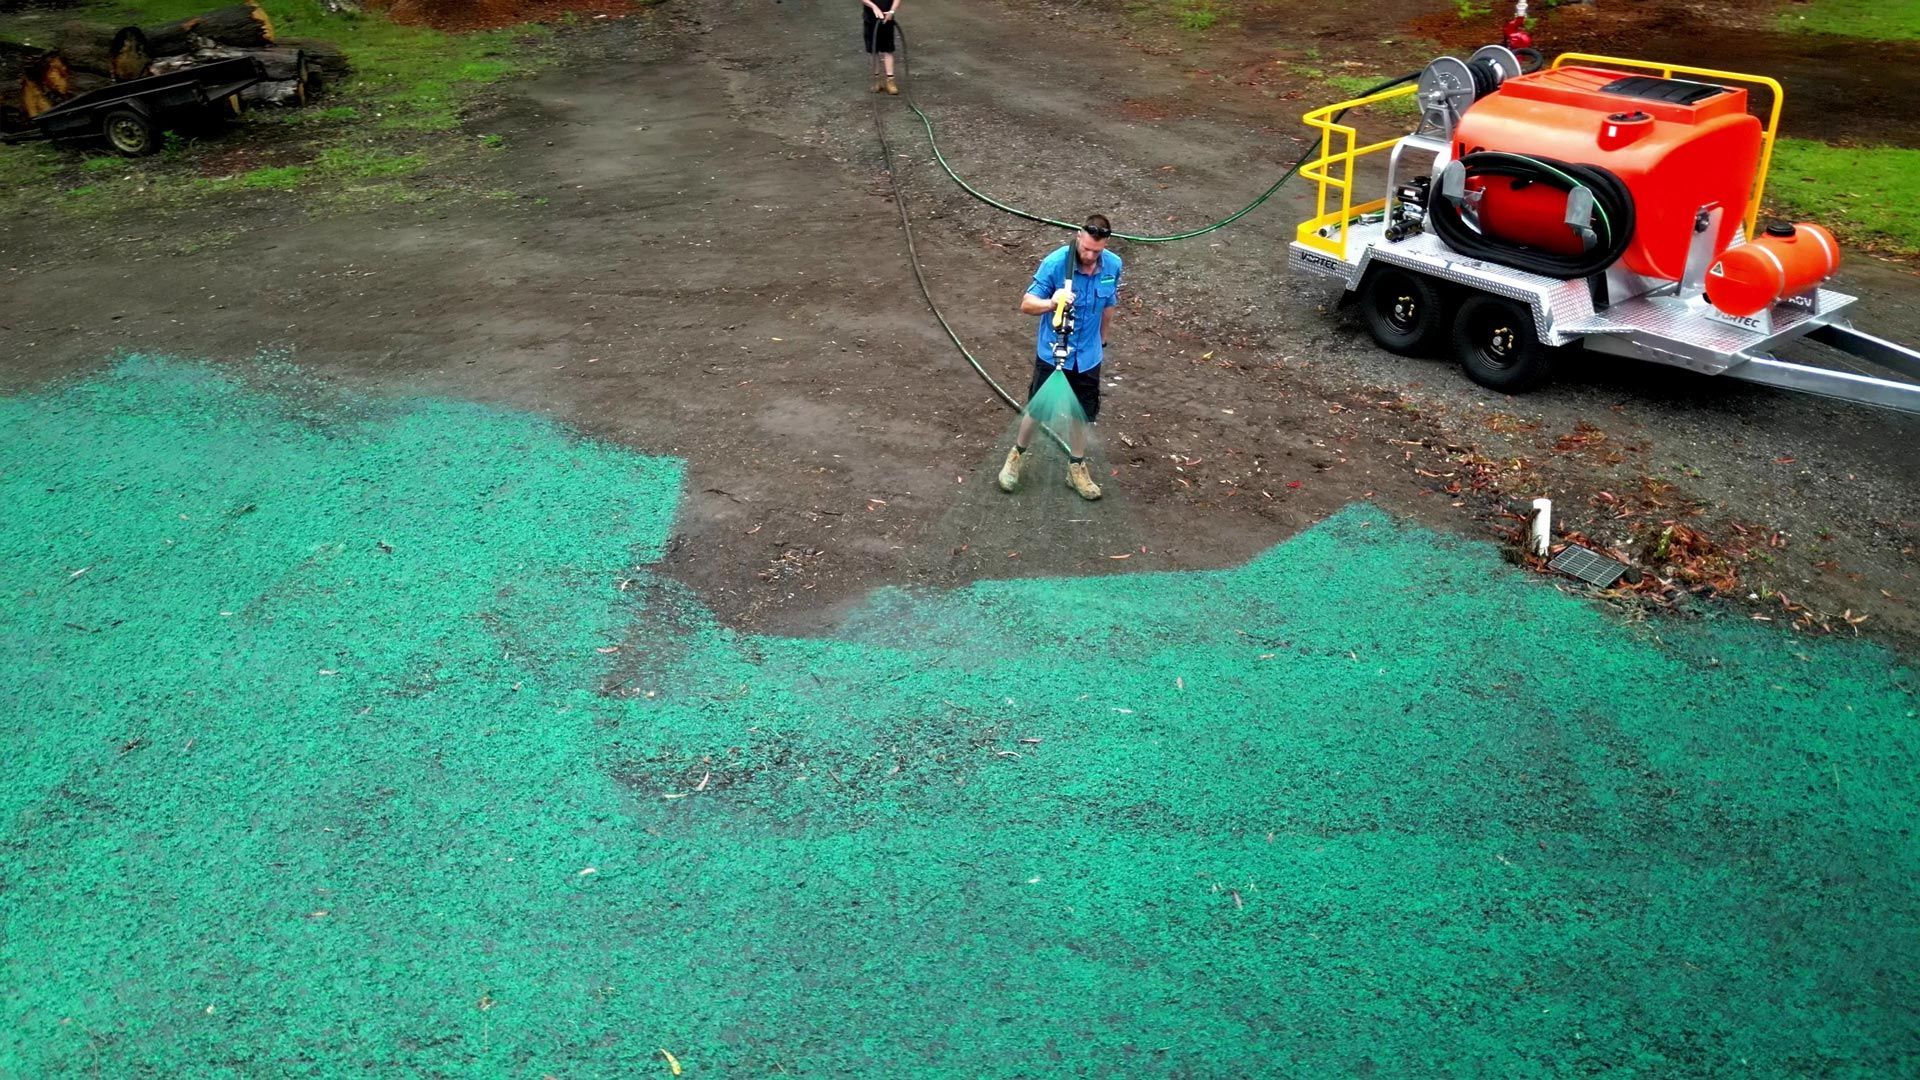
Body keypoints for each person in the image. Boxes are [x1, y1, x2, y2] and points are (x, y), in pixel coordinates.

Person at [999, 214, 1123, 501]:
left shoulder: (1113, 265)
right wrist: (1052, 302)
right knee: (1038, 409)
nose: (1090, 255)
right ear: (1079, 237)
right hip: (1055, 354)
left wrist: (1102, 341)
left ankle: (1076, 467)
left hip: (1089, 356)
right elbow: (1026, 304)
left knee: (1083, 413)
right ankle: (1016, 456)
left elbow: (1109, 306)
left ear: (1105, 245)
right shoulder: (1056, 263)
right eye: (1087, 248)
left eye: (1097, 250)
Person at [862, 0, 901, 95]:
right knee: (873, 51)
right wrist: (873, 7)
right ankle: (876, 80)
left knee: (888, 50)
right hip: (870, 19)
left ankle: (890, 81)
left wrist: (892, 11)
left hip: (888, 19)